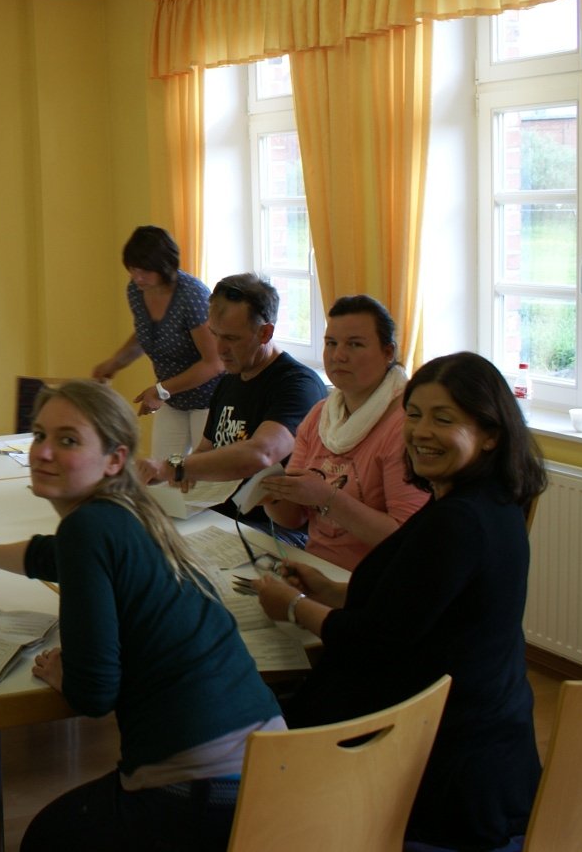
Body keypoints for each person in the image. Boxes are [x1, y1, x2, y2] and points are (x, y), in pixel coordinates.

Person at [0, 382, 283, 852]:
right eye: (39, 434)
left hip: (202, 793)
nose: (43, 451)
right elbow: (55, 556)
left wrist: (62, 671)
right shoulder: (129, 511)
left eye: (68, 440)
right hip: (271, 765)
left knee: (46, 838)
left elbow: (94, 693)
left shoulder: (87, 528)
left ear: (113, 459)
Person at [254, 352, 546, 852]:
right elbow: (425, 600)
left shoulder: (457, 521)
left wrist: (293, 606)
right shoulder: (487, 502)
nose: (421, 431)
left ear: (491, 433)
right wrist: (330, 591)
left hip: (445, 762)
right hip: (487, 731)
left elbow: (372, 639)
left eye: (444, 418)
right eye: (413, 415)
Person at [138, 273, 326, 539]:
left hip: (273, 529)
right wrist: (172, 472)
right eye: (215, 335)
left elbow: (261, 454)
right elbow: (206, 450)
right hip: (222, 516)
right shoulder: (229, 381)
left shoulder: (298, 385)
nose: (219, 348)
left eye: (232, 338)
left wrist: (172, 467)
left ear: (265, 332)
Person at [255, 295, 428, 569]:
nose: (338, 356)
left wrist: (326, 497)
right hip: (314, 567)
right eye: (331, 343)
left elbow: (406, 539)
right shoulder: (319, 416)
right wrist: (273, 495)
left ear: (388, 353)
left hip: (371, 582)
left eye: (355, 344)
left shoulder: (405, 425)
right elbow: (294, 518)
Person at [90, 226, 224, 459]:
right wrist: (114, 364)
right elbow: (146, 335)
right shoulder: (136, 290)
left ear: (165, 267)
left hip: (209, 400)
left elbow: (214, 363)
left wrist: (161, 390)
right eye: (133, 269)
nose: (137, 277)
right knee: (161, 475)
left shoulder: (191, 296)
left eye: (145, 271)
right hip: (172, 398)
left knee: (202, 483)